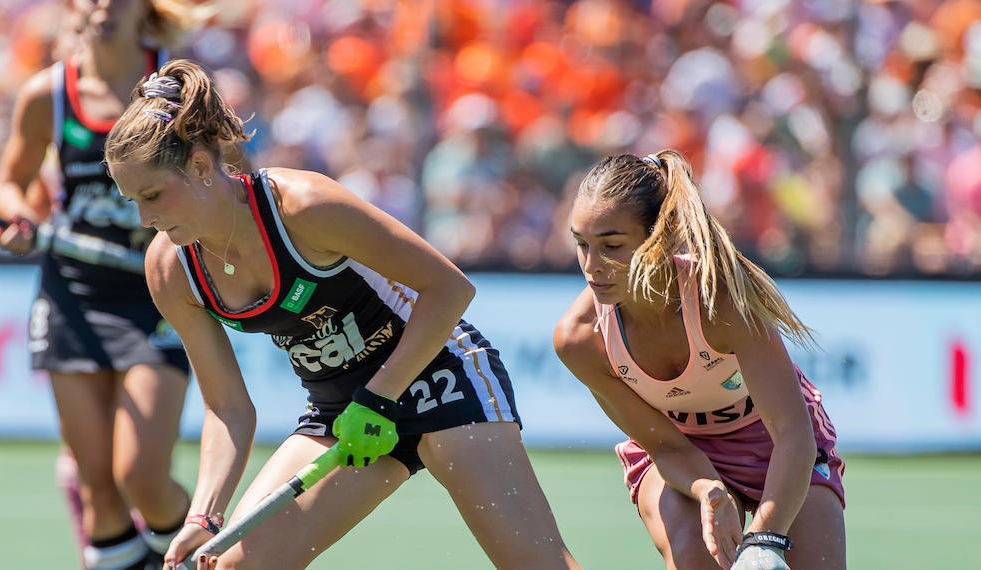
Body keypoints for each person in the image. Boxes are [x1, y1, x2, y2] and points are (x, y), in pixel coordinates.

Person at [103, 59, 584, 570]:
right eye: (133, 200)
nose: (145, 218)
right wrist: (204, 516)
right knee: (232, 567)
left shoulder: (304, 208)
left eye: (152, 195)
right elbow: (227, 407)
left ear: (201, 166)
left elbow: (448, 288)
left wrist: (378, 397)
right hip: (340, 411)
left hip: (440, 378)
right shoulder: (169, 268)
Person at [0, 1, 208, 568]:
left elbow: (223, 177)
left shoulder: (178, 90)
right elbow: (8, 183)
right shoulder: (47, 94)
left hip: (156, 293)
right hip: (73, 298)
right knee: (98, 495)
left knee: (142, 478)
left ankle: (208, 560)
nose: (103, 6)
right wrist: (16, 218)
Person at [553, 151, 846, 570]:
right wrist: (710, 489)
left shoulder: (723, 298)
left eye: (612, 246)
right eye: (581, 244)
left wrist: (764, 541)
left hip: (778, 445)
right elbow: (666, 445)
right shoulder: (578, 340)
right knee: (695, 555)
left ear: (663, 236)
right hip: (681, 453)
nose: (591, 266)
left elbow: (792, 432)